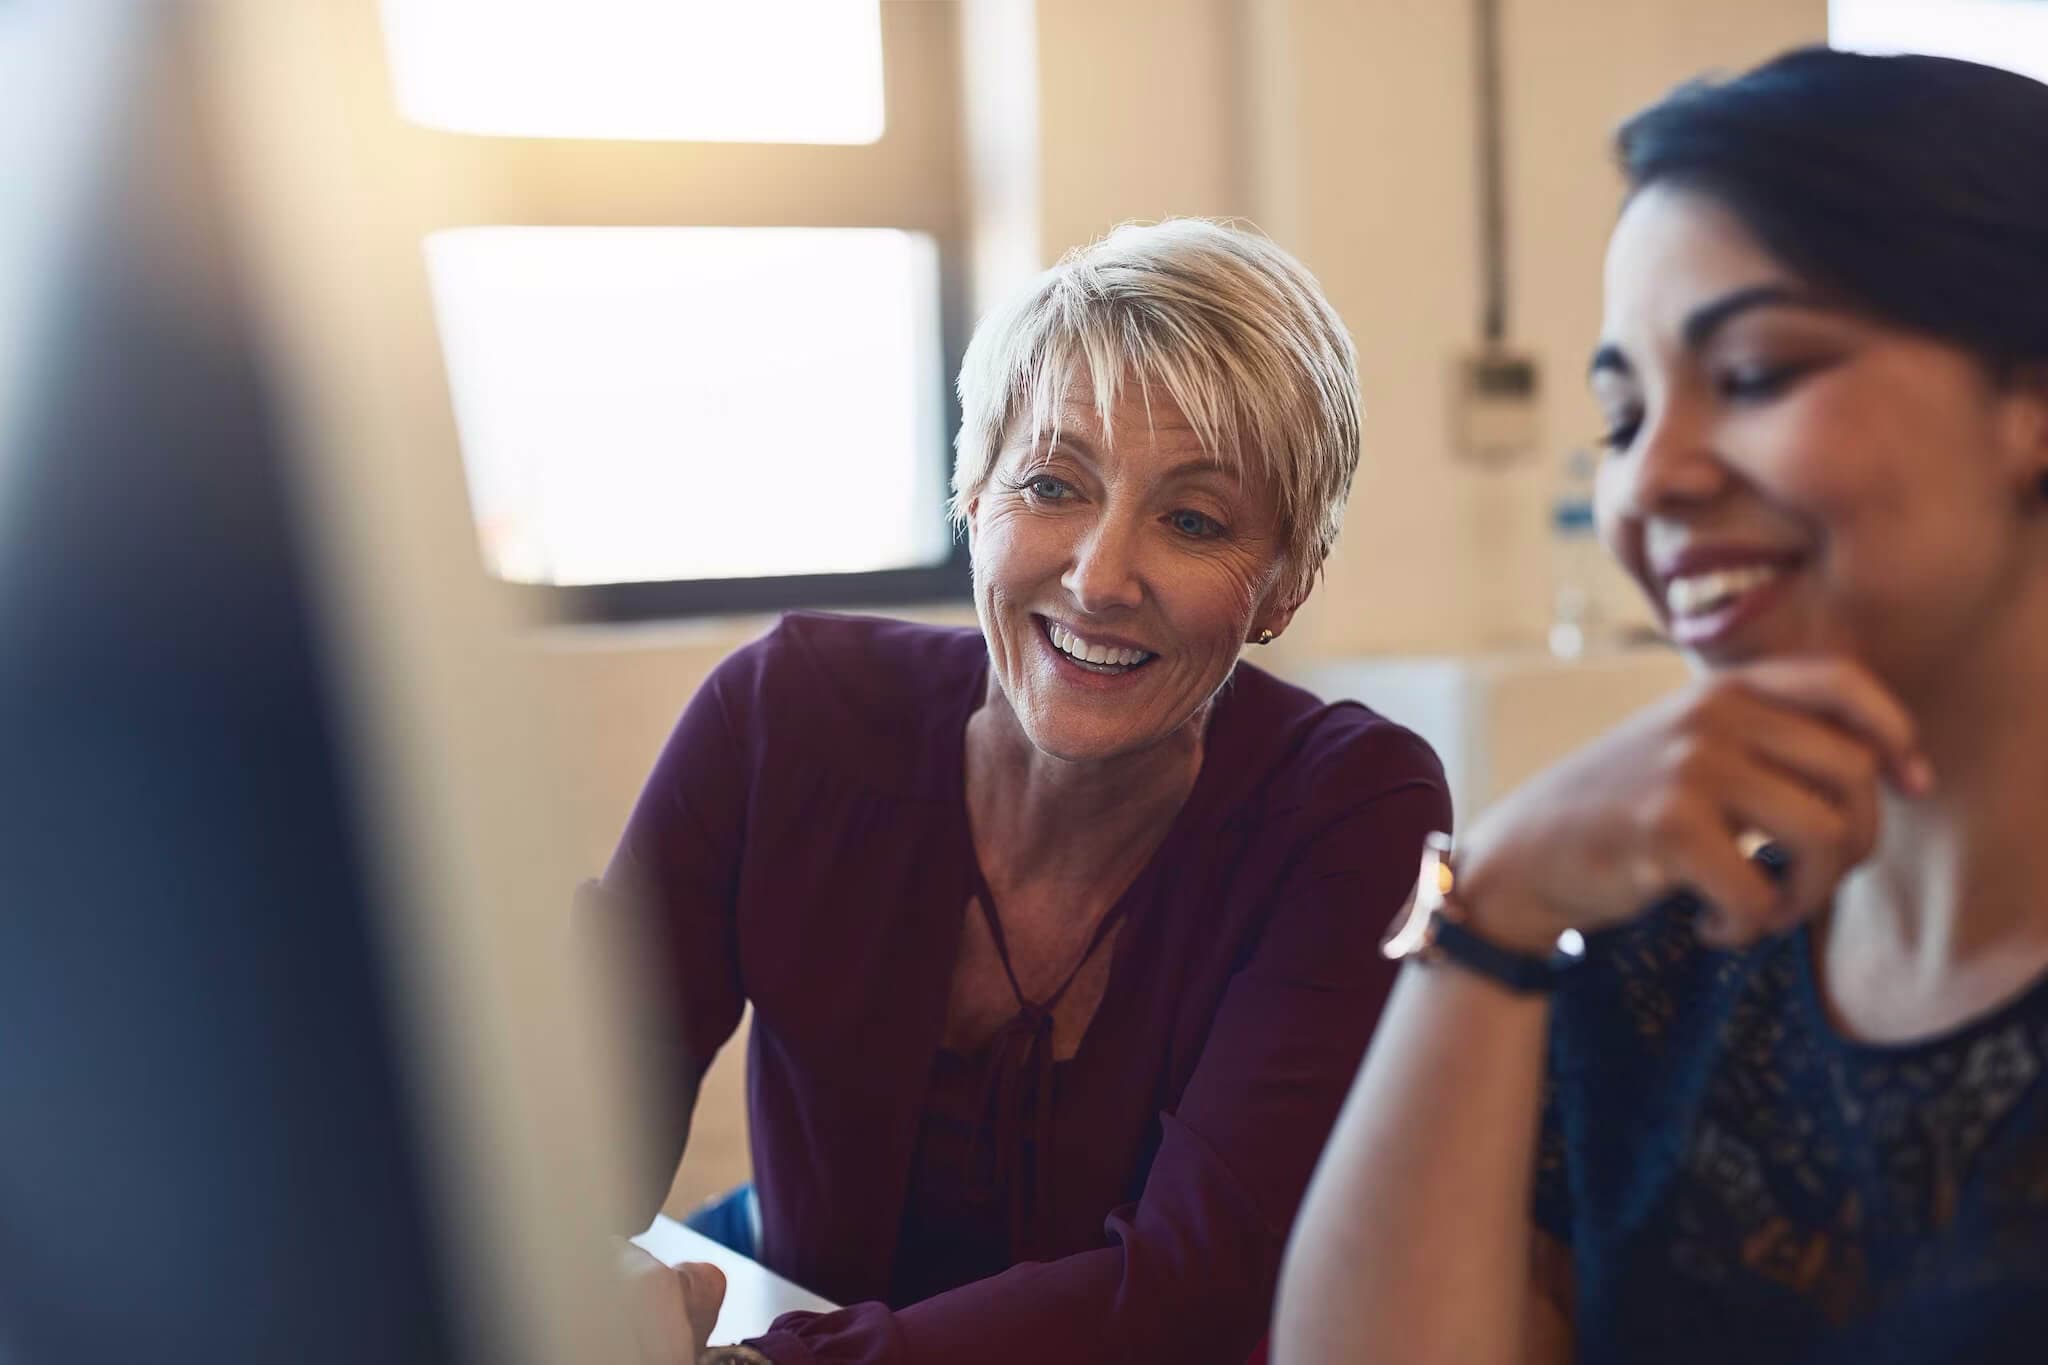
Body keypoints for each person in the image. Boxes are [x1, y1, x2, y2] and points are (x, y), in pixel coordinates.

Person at [1274, 46, 2048, 1365]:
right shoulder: (1650, 968)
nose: (1647, 486)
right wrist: (1494, 910)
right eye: (1624, 417)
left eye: (1751, 375)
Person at [588, 218, 1450, 1364]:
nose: (1098, 578)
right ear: (971, 497)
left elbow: (1199, 1288)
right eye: (1051, 482)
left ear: (1282, 585)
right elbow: (574, 1139)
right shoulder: (778, 719)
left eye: (1192, 520)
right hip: (784, 1297)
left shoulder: (1356, 811)